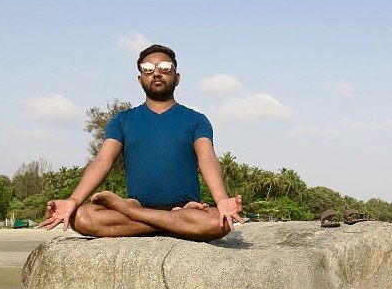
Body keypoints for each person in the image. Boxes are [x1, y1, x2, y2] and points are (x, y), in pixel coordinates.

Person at [41, 44, 242, 241]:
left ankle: (137, 214)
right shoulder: (122, 120)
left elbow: (207, 158)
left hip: (175, 207)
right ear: (140, 79)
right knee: (82, 217)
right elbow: (103, 160)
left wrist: (221, 200)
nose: (156, 73)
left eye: (164, 67)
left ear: (177, 77)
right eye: (147, 69)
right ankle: (173, 224)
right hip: (172, 213)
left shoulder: (196, 119)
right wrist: (73, 200)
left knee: (220, 222)